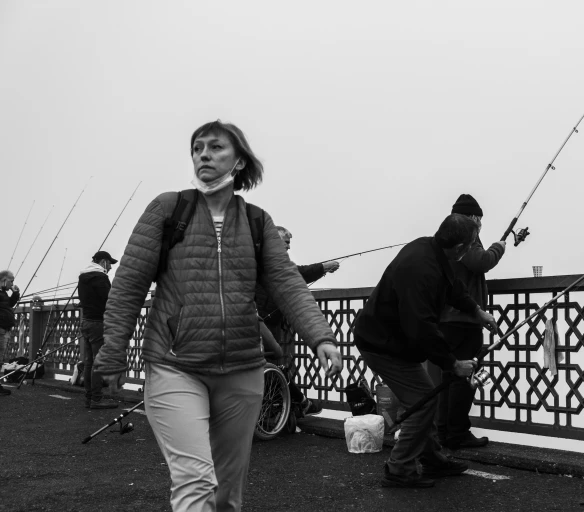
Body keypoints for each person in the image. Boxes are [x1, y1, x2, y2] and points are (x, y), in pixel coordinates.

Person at [93, 120, 343, 512]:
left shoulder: (258, 221)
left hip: (243, 368)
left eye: (215, 147)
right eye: (197, 148)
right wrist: (113, 351)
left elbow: (287, 283)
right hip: (175, 366)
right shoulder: (167, 209)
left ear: (239, 160)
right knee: (195, 481)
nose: (203, 155)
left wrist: (322, 337)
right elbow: (128, 285)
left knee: (227, 494)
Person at [354, 214, 499, 488]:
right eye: (471, 245)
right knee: (422, 400)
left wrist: (477, 311)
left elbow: (454, 289)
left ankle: (431, 459)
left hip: (395, 341)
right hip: (380, 343)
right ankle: (399, 469)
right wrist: (453, 364)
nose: (470, 250)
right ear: (460, 248)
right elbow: (421, 327)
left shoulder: (430, 249)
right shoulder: (421, 269)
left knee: (423, 396)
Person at [436, 194, 506, 449]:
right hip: (462, 320)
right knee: (466, 376)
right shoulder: (465, 235)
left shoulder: (446, 235)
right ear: (473, 217)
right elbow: (482, 261)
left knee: (448, 376)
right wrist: (500, 247)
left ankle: (443, 431)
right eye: (479, 219)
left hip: (448, 319)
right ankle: (457, 432)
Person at [255, 226, 340, 418]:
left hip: (266, 321)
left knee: (270, 366)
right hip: (262, 323)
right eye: (285, 244)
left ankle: (282, 407)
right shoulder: (268, 260)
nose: (287, 248)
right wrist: (323, 267)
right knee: (274, 364)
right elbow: (296, 274)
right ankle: (294, 404)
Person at [77, 251, 119, 409]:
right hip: (97, 323)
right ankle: (97, 399)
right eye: (109, 264)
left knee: (89, 363)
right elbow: (108, 299)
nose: (110, 267)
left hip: (86, 322)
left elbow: (86, 298)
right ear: (103, 262)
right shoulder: (100, 277)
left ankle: (89, 397)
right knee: (97, 362)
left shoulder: (83, 277)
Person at [0, 270, 20, 396]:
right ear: (4, 280)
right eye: (11, 281)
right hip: (0, 329)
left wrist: (15, 293)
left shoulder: (3, 293)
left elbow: (9, 305)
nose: (12, 283)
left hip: (4, 329)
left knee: (0, 358)